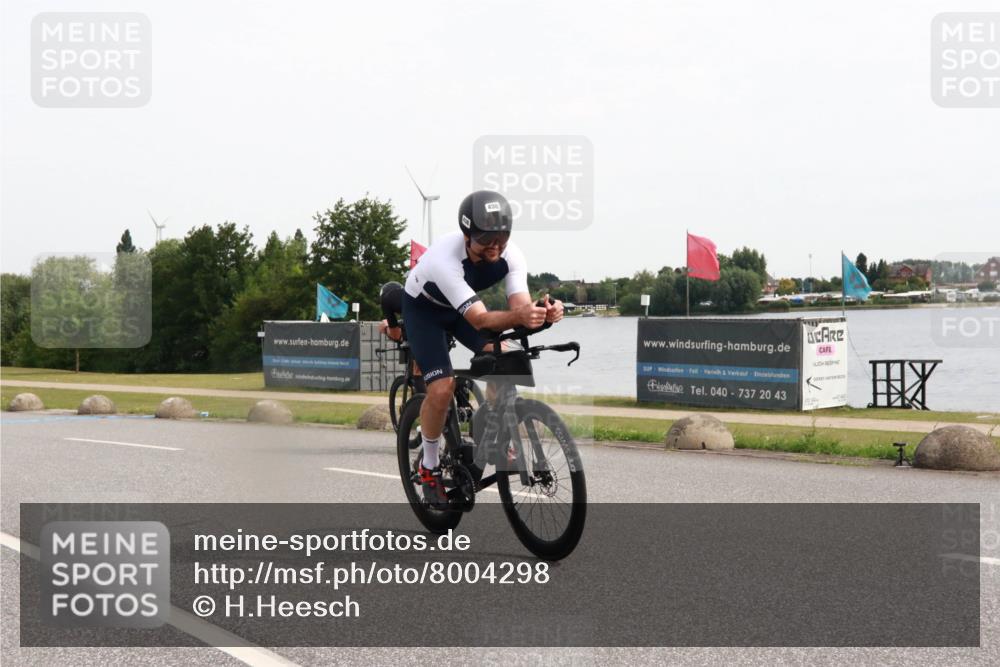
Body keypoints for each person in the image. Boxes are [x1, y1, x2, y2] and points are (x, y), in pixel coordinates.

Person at [400, 190, 563, 508]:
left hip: (460, 308)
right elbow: (479, 319)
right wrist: (521, 316)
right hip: (425, 311)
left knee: (506, 354)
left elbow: (519, 307)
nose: (495, 246)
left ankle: (491, 431)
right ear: (467, 235)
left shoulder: (512, 255)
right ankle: (429, 466)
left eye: (502, 237)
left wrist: (544, 312)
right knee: (442, 388)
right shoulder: (445, 259)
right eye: (486, 238)